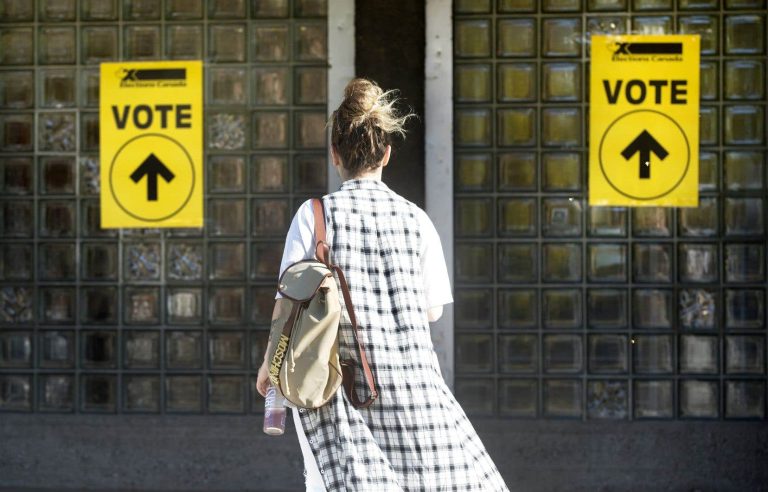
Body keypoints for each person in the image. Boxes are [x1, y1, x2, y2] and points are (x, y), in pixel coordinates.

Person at [257, 78, 509, 492]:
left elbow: (287, 300)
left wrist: (270, 362)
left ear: (335, 154)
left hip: (338, 386)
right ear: (387, 154)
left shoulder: (314, 214)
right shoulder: (417, 220)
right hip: (414, 392)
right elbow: (432, 310)